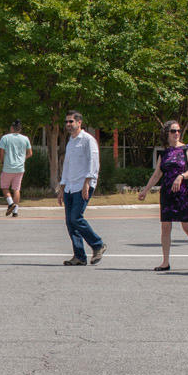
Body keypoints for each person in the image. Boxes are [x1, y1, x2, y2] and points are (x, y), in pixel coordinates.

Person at [138, 120, 188, 271]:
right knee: (165, 227)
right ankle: (165, 262)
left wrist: (181, 176)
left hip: (182, 192)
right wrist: (145, 190)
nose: (177, 133)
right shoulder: (164, 153)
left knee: (187, 227)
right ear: (167, 134)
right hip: (167, 193)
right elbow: (157, 174)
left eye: (178, 131)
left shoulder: (186, 149)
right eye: (173, 131)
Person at [57, 111, 104, 265]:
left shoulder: (88, 140)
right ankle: (79, 256)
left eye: (71, 121)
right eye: (67, 122)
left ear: (79, 123)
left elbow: (93, 162)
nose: (68, 125)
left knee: (76, 218)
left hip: (83, 185)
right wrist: (62, 187)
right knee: (70, 222)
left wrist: (87, 183)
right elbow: (67, 165)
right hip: (70, 186)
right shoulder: (71, 141)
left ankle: (98, 245)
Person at [0, 120, 31, 216]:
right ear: (20, 129)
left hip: (8, 167)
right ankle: (15, 211)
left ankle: (10, 203)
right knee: (16, 189)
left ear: (12, 128)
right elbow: (30, 153)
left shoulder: (5, 138)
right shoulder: (25, 139)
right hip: (20, 168)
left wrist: (3, 161)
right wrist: (22, 159)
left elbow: (2, 152)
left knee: (4, 187)